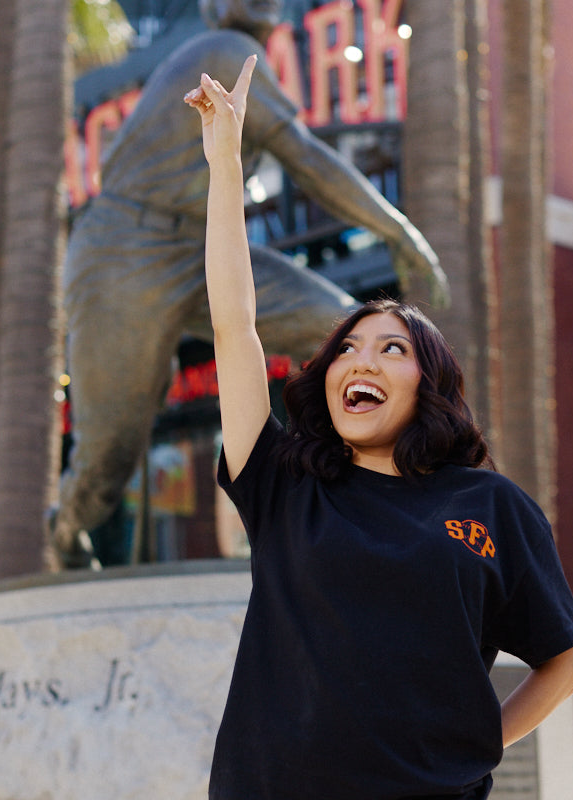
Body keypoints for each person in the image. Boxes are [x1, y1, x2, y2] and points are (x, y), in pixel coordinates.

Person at [186, 56, 573, 800]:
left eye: (390, 348)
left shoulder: (490, 507)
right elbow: (234, 324)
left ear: (426, 385)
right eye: (347, 346)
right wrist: (225, 163)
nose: (358, 360)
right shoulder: (284, 484)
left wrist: (466, 746)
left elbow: (566, 662)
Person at [50, 0, 446, 567]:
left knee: (337, 334)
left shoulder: (246, 60)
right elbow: (307, 159)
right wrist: (401, 232)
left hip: (198, 245)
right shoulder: (223, 52)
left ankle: (348, 491)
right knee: (107, 453)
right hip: (124, 254)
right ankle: (66, 529)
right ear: (212, 8)